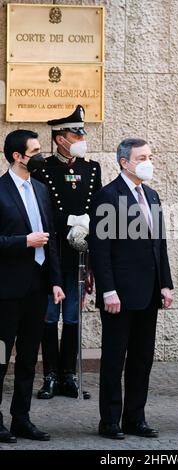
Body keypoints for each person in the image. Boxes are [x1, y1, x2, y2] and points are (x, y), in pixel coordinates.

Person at [89, 137, 173, 439]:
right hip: (120, 295)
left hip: (149, 292)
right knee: (114, 359)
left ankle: (135, 418)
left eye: (149, 156)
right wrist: (108, 290)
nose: (147, 162)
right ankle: (109, 420)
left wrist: (166, 283)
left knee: (142, 359)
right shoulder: (107, 196)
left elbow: (159, 244)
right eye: (141, 157)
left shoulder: (151, 195)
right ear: (124, 162)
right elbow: (100, 250)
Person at [33, 105, 102, 400]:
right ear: (61, 138)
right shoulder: (42, 169)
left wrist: (88, 227)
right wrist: (68, 221)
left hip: (78, 254)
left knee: (73, 317)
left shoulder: (92, 168)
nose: (81, 136)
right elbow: (39, 211)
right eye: (77, 132)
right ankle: (49, 375)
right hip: (52, 253)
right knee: (50, 316)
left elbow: (97, 207)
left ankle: (68, 375)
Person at [0, 130, 64, 443]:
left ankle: (21, 418)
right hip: (6, 290)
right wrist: (23, 241)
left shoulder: (40, 189)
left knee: (28, 358)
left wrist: (55, 281)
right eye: (35, 150)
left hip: (37, 288)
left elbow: (50, 238)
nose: (40, 155)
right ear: (18, 156)